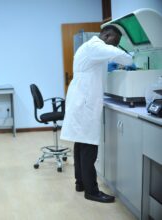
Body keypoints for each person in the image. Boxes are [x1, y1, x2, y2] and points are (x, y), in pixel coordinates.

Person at [60, 25, 133, 203]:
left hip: (81, 99)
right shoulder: (95, 46)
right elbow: (125, 58)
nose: (114, 46)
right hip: (85, 102)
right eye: (114, 42)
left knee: (81, 144)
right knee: (89, 148)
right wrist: (130, 59)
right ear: (107, 36)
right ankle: (91, 191)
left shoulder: (88, 48)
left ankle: (80, 183)